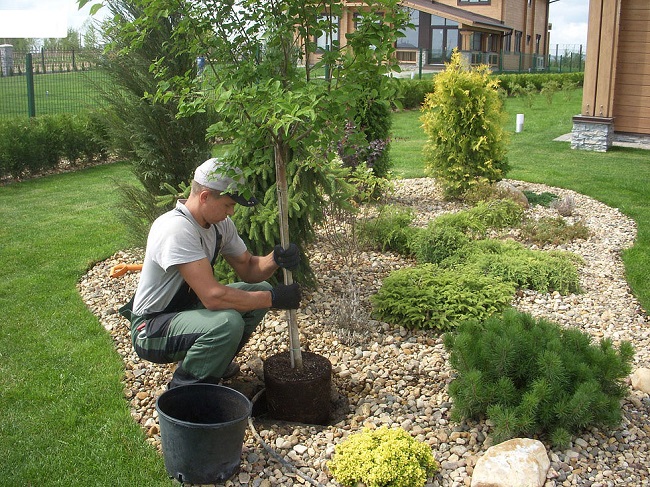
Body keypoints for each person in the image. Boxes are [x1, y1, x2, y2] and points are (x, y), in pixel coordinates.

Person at [119, 157, 301, 389]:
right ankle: (186, 391)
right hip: (152, 328)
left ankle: (213, 361)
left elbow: (248, 268)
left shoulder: (218, 225)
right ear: (205, 197)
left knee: (260, 289)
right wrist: (274, 299)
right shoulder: (176, 229)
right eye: (228, 205)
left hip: (185, 312)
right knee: (227, 323)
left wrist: (275, 259)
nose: (232, 212)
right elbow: (213, 297)